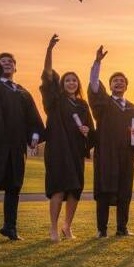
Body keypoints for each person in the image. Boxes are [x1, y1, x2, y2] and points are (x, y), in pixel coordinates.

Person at [0, 12, 44, 244]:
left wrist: (34, 137)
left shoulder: (23, 92)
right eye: (2, 61)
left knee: (14, 188)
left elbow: (35, 122)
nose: (6, 63)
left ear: (15, 67)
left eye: (10, 62)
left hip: (16, 147)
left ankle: (10, 228)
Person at [88, 46, 134, 237]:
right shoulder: (104, 103)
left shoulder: (132, 108)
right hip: (106, 155)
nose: (119, 83)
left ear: (126, 86)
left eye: (122, 81)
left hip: (125, 156)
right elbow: (95, 85)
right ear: (110, 85)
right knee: (104, 192)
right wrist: (97, 62)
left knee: (124, 193)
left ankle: (122, 228)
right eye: (115, 81)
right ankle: (102, 229)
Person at [40, 34, 94, 242]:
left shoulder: (82, 105)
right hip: (57, 151)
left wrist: (87, 132)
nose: (71, 82)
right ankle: (53, 229)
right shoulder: (55, 100)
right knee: (58, 189)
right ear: (62, 84)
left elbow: (91, 129)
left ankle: (67, 226)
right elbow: (47, 75)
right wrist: (50, 50)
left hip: (75, 151)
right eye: (67, 80)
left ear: (78, 84)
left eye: (74, 80)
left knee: (74, 192)